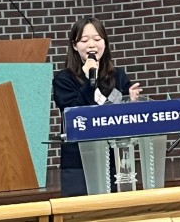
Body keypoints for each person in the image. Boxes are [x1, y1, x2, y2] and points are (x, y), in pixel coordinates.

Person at [53, 16, 142, 196]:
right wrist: (88, 80)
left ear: (105, 43)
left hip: (115, 159)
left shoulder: (118, 76)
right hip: (78, 163)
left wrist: (131, 103)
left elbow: (126, 119)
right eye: (84, 40)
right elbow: (74, 113)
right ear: (74, 45)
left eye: (97, 39)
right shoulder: (63, 79)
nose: (91, 45)